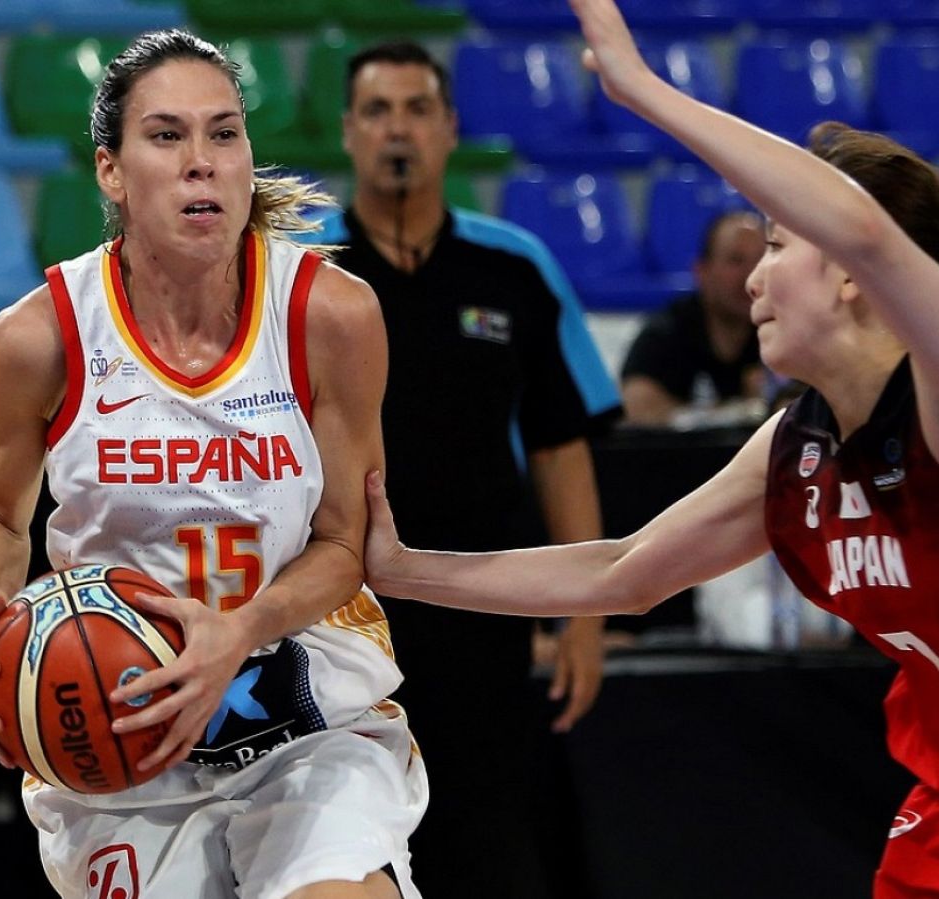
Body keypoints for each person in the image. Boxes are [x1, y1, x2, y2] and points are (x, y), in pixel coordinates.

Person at [361, 0, 939, 895]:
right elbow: (621, 572)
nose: (752, 278)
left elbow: (864, 227)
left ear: (853, 274)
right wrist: (399, 568)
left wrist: (644, 92)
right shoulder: (800, 442)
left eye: (777, 245)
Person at [0, 29, 426, 899]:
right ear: (111, 171)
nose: (201, 161)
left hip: (304, 716)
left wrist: (239, 631)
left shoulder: (328, 315)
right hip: (118, 733)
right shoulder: (40, 335)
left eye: (224, 133)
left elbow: (346, 545)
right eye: (166, 135)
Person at [311, 40, 620, 899]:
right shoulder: (302, 274)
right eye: (378, 111)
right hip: (341, 611)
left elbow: (560, 444)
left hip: (486, 608)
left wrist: (586, 613)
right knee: (353, 845)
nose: (397, 129)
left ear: (449, 129)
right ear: (349, 132)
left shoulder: (514, 268)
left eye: (417, 109)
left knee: (487, 843)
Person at [620, 210, 768, 427]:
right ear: (702, 272)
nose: (751, 275)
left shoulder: (778, 330)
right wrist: (739, 411)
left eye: (760, 261)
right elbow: (636, 407)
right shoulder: (666, 333)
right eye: (736, 261)